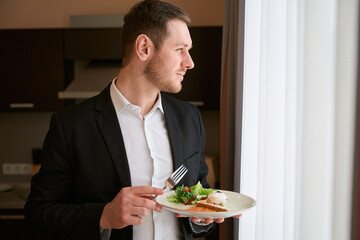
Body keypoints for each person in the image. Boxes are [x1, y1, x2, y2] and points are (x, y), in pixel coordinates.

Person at [25, 1, 239, 239]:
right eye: (180, 49)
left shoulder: (189, 118)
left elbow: (199, 189)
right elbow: (38, 214)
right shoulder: (71, 126)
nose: (189, 62)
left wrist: (201, 216)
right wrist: (104, 215)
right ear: (144, 48)